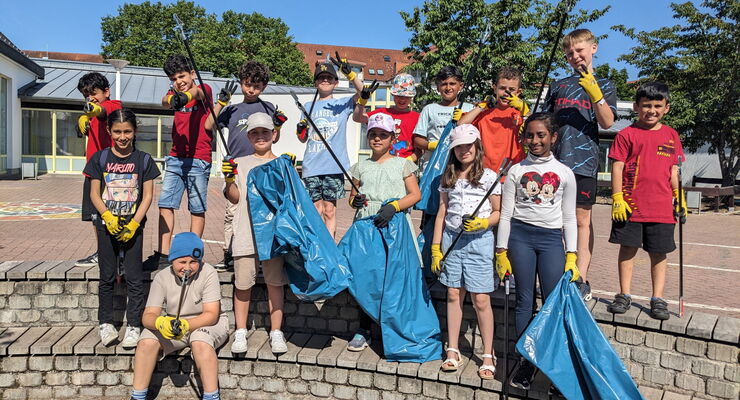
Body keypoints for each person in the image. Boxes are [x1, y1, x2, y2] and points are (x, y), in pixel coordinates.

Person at [495, 113, 579, 390]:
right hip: (521, 238)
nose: (535, 140)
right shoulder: (517, 172)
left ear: (553, 137)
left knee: (554, 303)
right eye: (530, 135)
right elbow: (506, 215)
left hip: (551, 241)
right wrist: (501, 250)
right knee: (524, 301)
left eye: (541, 135)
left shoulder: (566, 173)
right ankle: (525, 362)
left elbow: (569, 218)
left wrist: (572, 254)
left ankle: (557, 365)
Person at [543, 29, 617, 300]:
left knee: (581, 220)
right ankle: (559, 270)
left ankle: (581, 277)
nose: (575, 56)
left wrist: (595, 93)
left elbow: (608, 122)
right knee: (557, 220)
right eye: (570, 53)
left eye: (580, 50)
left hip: (584, 162)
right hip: (555, 161)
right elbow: (544, 120)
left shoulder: (606, 83)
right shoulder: (558, 84)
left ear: (593, 48)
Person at [606, 82, 685, 321]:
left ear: (666, 108)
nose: (652, 110)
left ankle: (657, 298)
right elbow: (617, 166)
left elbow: (674, 169)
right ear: (636, 107)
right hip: (629, 206)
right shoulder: (626, 135)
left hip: (661, 208)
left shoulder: (672, 135)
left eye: (657, 106)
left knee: (659, 253)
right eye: (646, 106)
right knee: (627, 250)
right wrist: (617, 197)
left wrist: (678, 195)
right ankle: (624, 294)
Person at [83, 109, 160, 348]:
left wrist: (135, 222)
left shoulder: (144, 160)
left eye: (127, 131)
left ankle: (134, 325)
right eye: (117, 131)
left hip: (133, 228)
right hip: (107, 227)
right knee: (106, 276)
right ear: (109, 132)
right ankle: (106, 324)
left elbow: (147, 196)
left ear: (135, 131)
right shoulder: (99, 158)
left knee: (135, 278)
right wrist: (106, 215)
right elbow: (94, 193)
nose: (122, 136)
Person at [345, 112, 421, 351]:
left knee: (393, 277)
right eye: (373, 135)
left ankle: (394, 326)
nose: (377, 139)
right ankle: (364, 327)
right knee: (367, 277)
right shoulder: (360, 167)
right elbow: (352, 197)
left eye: (383, 135)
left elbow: (415, 195)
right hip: (366, 227)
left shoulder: (403, 164)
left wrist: (394, 206)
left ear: (392, 138)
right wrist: (354, 202)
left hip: (394, 226)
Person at [430, 124, 501, 380]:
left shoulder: (490, 177)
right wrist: (436, 248)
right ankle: (453, 349)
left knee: (481, 299)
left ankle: (488, 353)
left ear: (477, 146)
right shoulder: (447, 178)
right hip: (451, 240)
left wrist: (484, 223)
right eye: (458, 146)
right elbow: (442, 213)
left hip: (479, 241)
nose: (464, 150)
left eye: (468, 145)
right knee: (452, 293)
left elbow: (498, 212)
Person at [204, 60, 287, 270]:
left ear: (264, 87)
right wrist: (221, 102)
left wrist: (278, 124)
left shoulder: (268, 108)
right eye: (248, 84)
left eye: (257, 86)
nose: (252, 89)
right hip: (236, 168)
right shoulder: (232, 109)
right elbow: (208, 125)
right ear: (241, 82)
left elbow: (274, 139)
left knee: (259, 211)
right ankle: (229, 253)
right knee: (232, 212)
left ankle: (259, 254)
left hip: (260, 168)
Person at [221, 112, 291, 354]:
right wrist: (229, 179)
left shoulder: (283, 162)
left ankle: (276, 331)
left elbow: (289, 199)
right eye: (254, 133)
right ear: (248, 136)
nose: (260, 136)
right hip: (244, 231)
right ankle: (240, 331)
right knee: (242, 283)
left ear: (274, 134)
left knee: (275, 283)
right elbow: (235, 198)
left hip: (273, 234)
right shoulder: (238, 163)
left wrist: (288, 173)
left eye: (265, 132)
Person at [131, 232, 229, 400]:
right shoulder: (162, 277)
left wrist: (185, 325)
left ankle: (211, 396)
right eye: (182, 262)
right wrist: (161, 322)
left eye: (193, 262)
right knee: (146, 341)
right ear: (172, 261)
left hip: (208, 324)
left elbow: (212, 315)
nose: (188, 267)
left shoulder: (208, 272)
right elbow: (148, 316)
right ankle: (138, 395)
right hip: (175, 325)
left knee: (200, 340)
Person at [144, 54, 214, 270]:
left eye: (182, 76)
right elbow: (164, 101)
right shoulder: (173, 91)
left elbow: (197, 92)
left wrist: (184, 97)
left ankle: (194, 255)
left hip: (198, 157)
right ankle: (164, 254)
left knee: (196, 207)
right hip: (176, 157)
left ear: (192, 74)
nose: (178, 81)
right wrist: (172, 98)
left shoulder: (204, 88)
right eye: (173, 79)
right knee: (165, 204)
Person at [297, 58, 363, 238]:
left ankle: (329, 249)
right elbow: (303, 138)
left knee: (329, 211)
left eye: (329, 77)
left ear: (335, 82)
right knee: (315, 211)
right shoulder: (307, 107)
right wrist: (300, 130)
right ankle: (316, 246)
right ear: (315, 82)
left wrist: (351, 74)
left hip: (333, 166)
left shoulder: (343, 103)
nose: (325, 80)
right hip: (312, 166)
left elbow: (363, 92)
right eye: (320, 78)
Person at [75, 72, 122, 268]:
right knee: (96, 217)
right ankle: (102, 253)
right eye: (86, 95)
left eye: (94, 93)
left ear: (106, 91)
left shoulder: (114, 105)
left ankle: (120, 255)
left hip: (112, 173)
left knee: (117, 216)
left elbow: (104, 111)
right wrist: (83, 121)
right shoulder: (90, 113)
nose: (90, 98)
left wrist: (93, 111)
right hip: (93, 172)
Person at [457, 66, 527, 172]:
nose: (506, 93)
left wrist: (525, 111)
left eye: (512, 90)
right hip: (484, 171)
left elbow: (532, 132)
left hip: (513, 171)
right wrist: (481, 107)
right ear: (494, 88)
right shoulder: (484, 111)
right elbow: (461, 124)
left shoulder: (520, 113)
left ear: (518, 92)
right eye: (502, 88)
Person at [412, 66, 475, 167]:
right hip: (434, 167)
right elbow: (417, 140)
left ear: (461, 86)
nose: (448, 88)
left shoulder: (470, 108)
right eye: (444, 84)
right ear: (437, 87)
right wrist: (431, 145)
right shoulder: (429, 109)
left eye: (452, 84)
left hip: (462, 166)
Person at [352, 73, 421, 161]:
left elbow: (420, 148)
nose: (402, 99)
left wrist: (409, 161)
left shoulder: (417, 117)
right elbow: (357, 118)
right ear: (393, 95)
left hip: (406, 164)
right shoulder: (382, 113)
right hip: (382, 162)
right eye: (398, 95)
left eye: (406, 96)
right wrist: (362, 101)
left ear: (411, 96)